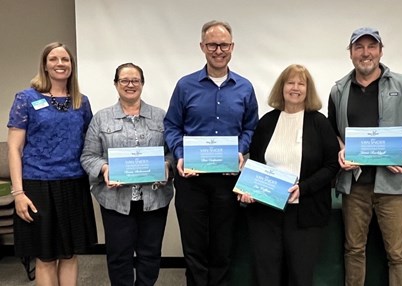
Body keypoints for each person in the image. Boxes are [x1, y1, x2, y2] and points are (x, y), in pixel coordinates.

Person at [163, 20, 259, 286]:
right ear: (202, 46)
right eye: (212, 44)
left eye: (224, 44)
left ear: (232, 47)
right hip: (191, 180)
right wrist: (180, 155)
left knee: (222, 248)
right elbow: (172, 125)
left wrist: (241, 151)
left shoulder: (245, 88)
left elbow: (251, 127)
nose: (218, 50)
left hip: (228, 180)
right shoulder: (185, 86)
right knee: (194, 249)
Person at [328, 27, 402, 286]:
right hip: (355, 184)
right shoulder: (338, 90)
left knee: (398, 254)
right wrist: (341, 149)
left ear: (380, 51)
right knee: (354, 250)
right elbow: (333, 131)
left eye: (371, 46)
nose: (365, 53)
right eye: (359, 47)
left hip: (392, 184)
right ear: (351, 53)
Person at [239, 64, 340, 286]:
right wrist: (247, 190)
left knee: (300, 276)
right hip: (265, 213)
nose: (295, 88)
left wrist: (304, 188)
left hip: (305, 213)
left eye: (301, 83)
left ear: (308, 89)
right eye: (290, 82)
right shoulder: (266, 122)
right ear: (282, 87)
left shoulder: (320, 123)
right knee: (266, 276)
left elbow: (332, 166)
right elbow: (254, 162)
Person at [7, 42, 97, 285]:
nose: (60, 64)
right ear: (45, 65)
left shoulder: (82, 102)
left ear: (71, 65)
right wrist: (18, 193)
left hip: (73, 185)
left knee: (69, 254)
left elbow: (89, 143)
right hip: (37, 186)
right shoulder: (26, 98)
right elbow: (14, 149)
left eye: (65, 60)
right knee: (45, 257)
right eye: (54, 59)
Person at [80, 63, 173, 286]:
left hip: (154, 199)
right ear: (116, 84)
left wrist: (167, 166)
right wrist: (104, 169)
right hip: (115, 201)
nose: (130, 85)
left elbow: (172, 152)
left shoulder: (161, 117)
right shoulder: (101, 119)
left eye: (135, 81)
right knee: (119, 256)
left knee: (150, 254)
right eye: (124, 80)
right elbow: (88, 156)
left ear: (142, 84)